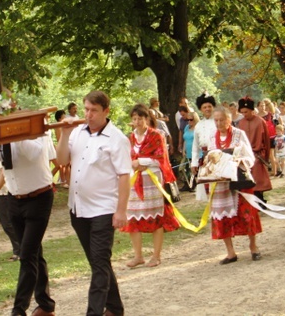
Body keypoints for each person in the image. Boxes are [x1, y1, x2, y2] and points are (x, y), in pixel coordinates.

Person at [56, 91, 131, 316]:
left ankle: (94, 312)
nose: (88, 115)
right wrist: (64, 133)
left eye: (94, 110)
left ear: (106, 111)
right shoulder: (77, 132)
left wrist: (121, 211)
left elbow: (124, 176)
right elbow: (61, 160)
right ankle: (116, 308)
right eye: (86, 109)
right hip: (78, 208)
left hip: (103, 210)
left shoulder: (117, 139)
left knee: (99, 264)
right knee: (99, 263)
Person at [0, 132, 57, 316]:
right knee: (34, 253)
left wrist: (15, 134)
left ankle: (18, 310)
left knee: (27, 254)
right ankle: (46, 304)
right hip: (14, 199)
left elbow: (35, 154)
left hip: (39, 197)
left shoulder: (36, 130)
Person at [122, 104, 179, 269]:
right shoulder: (130, 138)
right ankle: (138, 255)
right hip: (135, 182)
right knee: (132, 217)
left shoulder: (156, 136)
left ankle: (156, 255)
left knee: (156, 218)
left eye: (140, 118)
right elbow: (125, 158)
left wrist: (142, 162)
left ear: (147, 119)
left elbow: (161, 159)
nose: (137, 121)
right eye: (134, 119)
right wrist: (133, 165)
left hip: (152, 181)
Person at [205, 107, 262, 264]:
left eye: (222, 120)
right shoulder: (212, 136)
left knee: (247, 213)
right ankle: (231, 252)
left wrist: (239, 161)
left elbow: (250, 157)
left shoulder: (239, 134)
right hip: (220, 182)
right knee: (222, 215)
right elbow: (210, 157)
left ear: (229, 120)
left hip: (239, 180)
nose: (219, 123)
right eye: (216, 120)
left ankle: (253, 246)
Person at [236, 97, 273, 201]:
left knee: (258, 180)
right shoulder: (241, 123)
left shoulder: (261, 122)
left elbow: (266, 140)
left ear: (252, 110)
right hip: (245, 155)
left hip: (257, 155)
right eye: (242, 112)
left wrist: (265, 157)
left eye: (246, 112)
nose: (244, 114)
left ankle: (260, 200)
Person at [191, 92, 218, 201]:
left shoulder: (218, 121)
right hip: (205, 159)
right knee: (208, 189)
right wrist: (194, 163)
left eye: (209, 106)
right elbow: (195, 146)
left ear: (213, 107)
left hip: (218, 157)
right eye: (204, 107)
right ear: (201, 109)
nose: (207, 109)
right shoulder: (198, 126)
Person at [180, 111, 200, 191]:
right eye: (187, 120)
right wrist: (183, 150)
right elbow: (185, 139)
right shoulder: (187, 127)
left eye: (191, 120)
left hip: (197, 152)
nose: (189, 121)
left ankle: (196, 185)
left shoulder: (198, 128)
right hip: (188, 151)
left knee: (196, 169)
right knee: (188, 169)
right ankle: (189, 184)